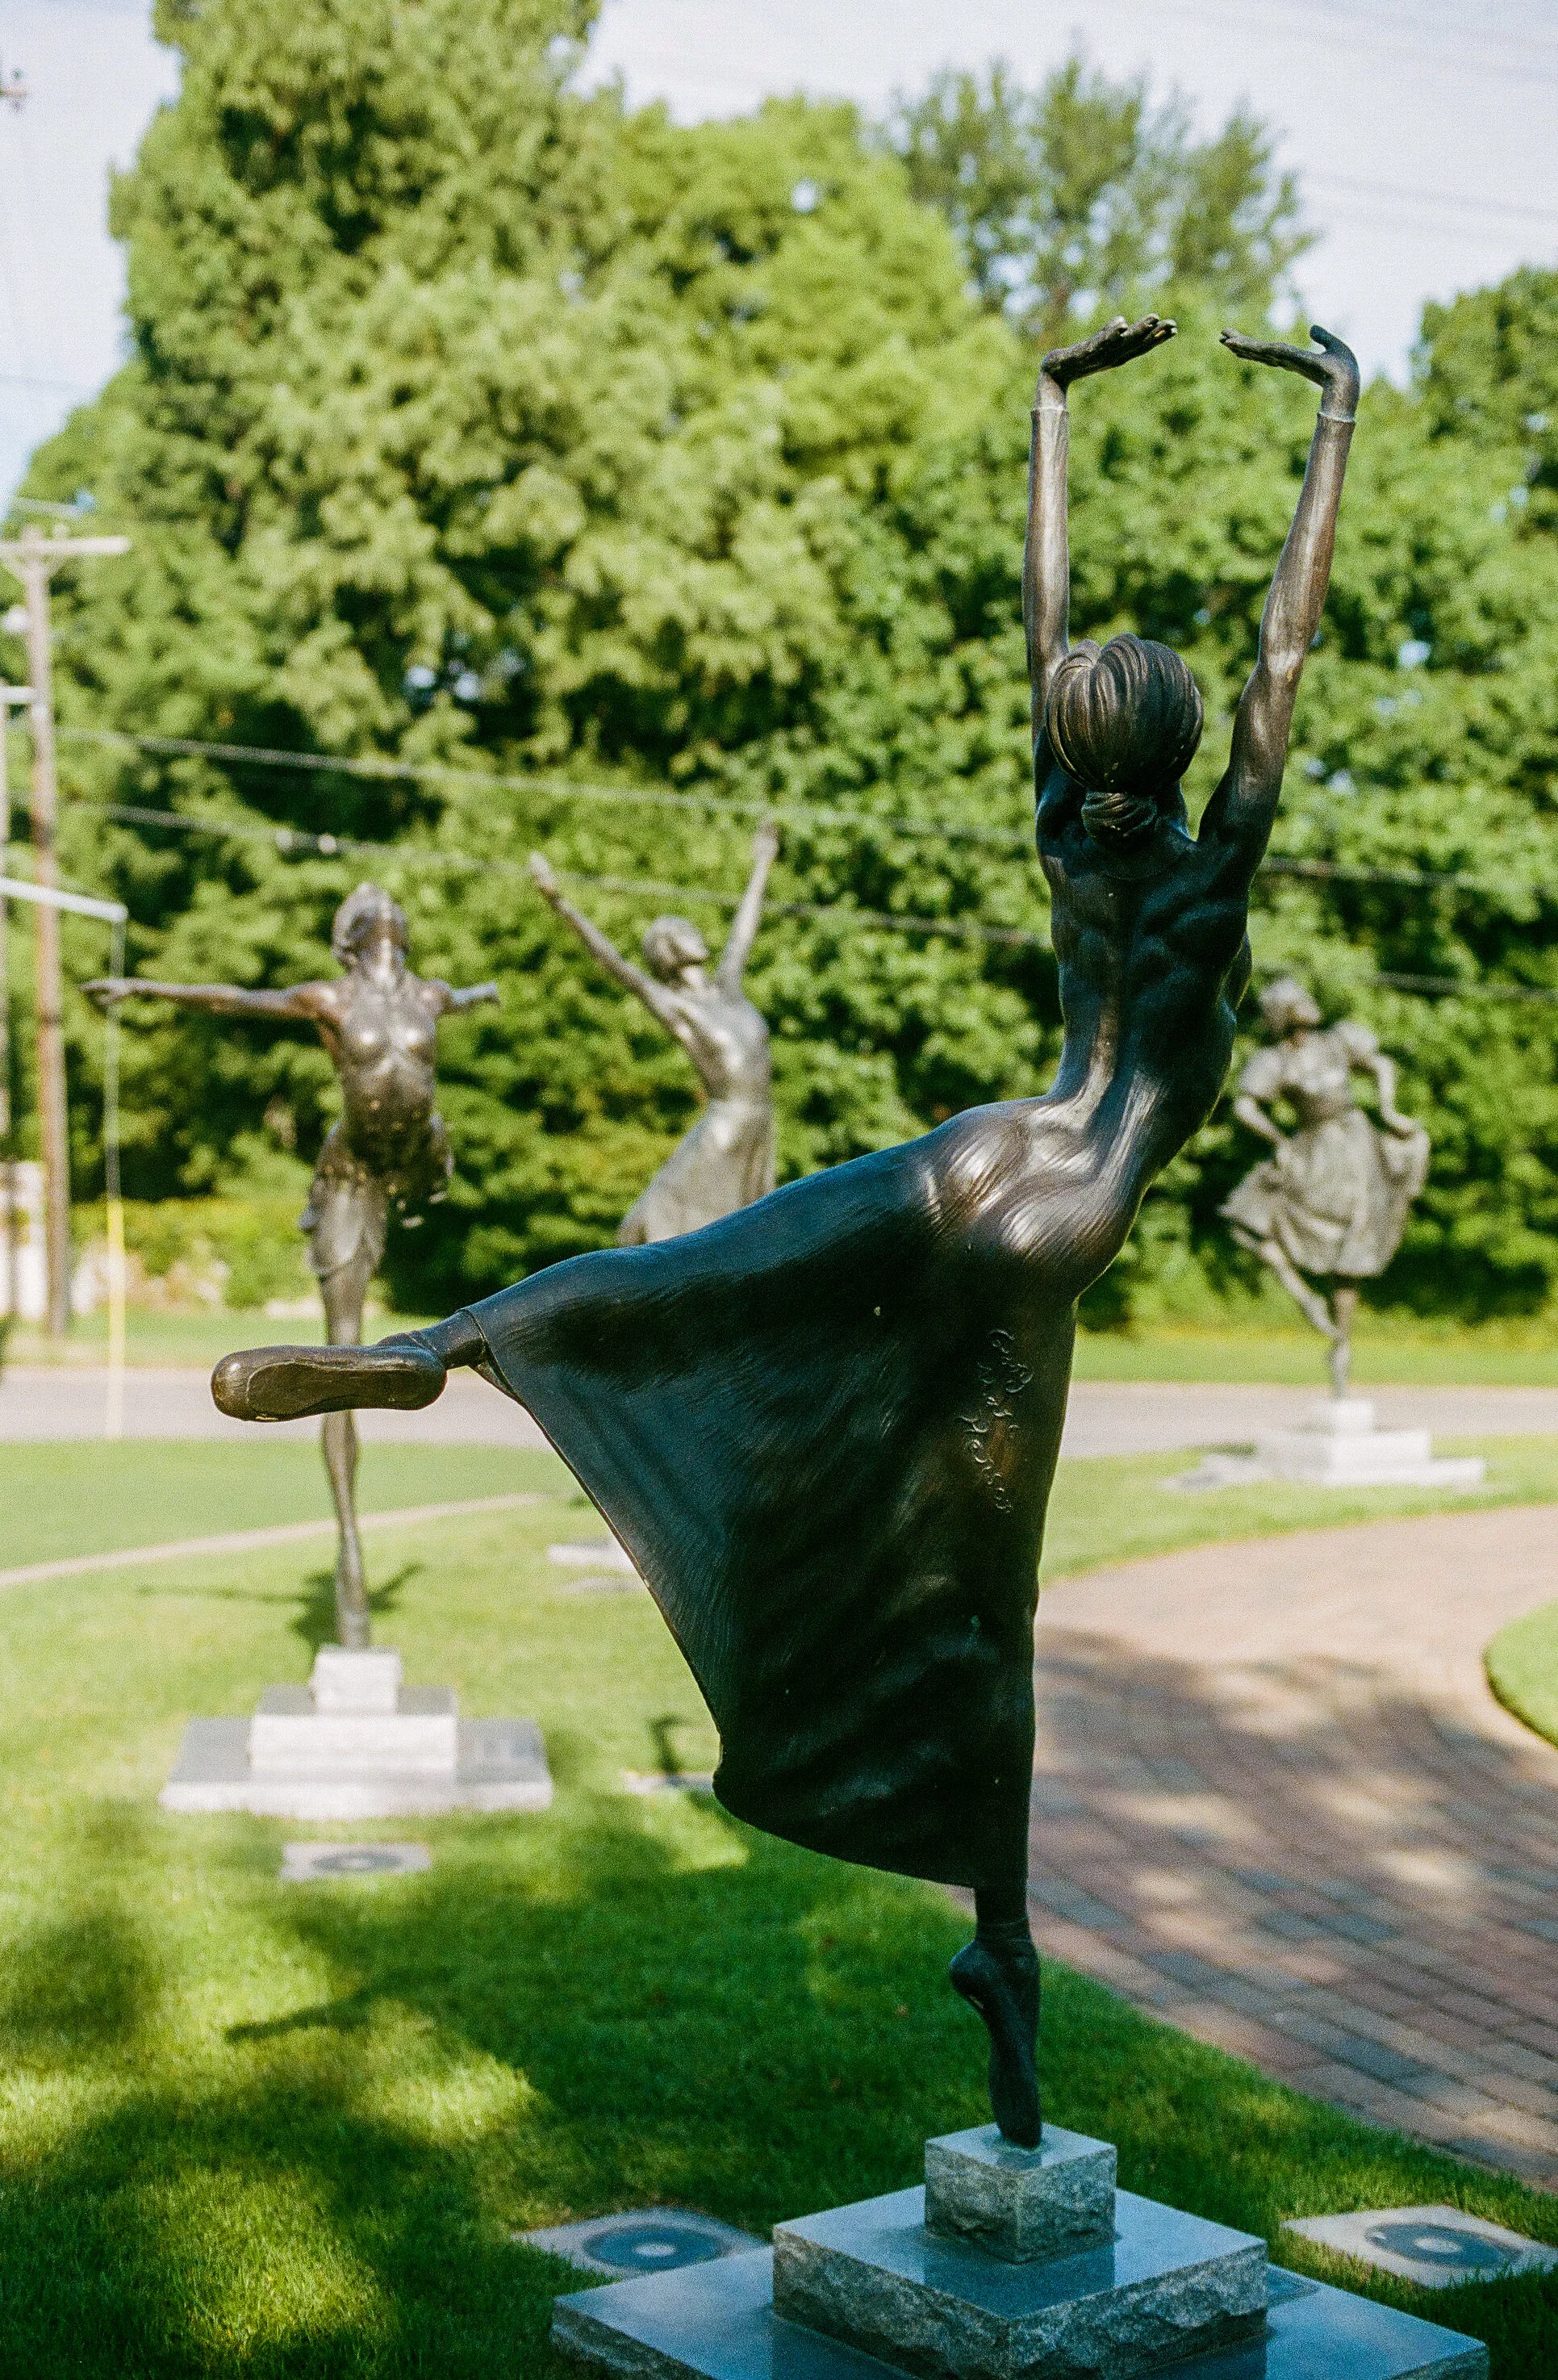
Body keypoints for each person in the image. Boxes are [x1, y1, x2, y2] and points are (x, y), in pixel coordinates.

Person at [211, 319, 1359, 2144]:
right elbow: (1285, 643)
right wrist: (1337, 416)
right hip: (1067, 1207)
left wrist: (1051, 411)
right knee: (980, 1600)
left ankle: (456, 1342)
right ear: (1187, 739)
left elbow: (1032, 627)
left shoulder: (1073, 832)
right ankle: (1000, 1940)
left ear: (1073, 739)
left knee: (704, 1273)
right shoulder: (1208, 875)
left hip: (987, 1136)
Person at [86, 885, 498, 1646]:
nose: (384, 913)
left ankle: (432, 1196)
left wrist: (485, 992)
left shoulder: (431, 996)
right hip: (353, 1175)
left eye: (393, 911)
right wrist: (146, 987)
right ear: (349, 937)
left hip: (414, 1156)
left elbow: (467, 995)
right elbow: (234, 998)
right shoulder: (329, 999)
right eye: (368, 913)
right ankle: (349, 1547)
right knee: (342, 1355)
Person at [528, 818, 779, 1243]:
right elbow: (617, 967)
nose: (694, 934)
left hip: (759, 1125)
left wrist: (761, 864)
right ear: (666, 952)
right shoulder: (678, 1008)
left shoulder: (728, 989)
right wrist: (560, 903)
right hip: (725, 1128)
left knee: (751, 1233)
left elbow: (744, 928)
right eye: (680, 932)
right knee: (683, 1224)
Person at [1222, 976, 1428, 1395]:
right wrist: (1278, 1140)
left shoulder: (1336, 1041)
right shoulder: (1273, 1060)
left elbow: (1381, 1064)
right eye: (1294, 1003)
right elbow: (1244, 1105)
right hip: (1311, 1148)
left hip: (1354, 1142)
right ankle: (1303, 1296)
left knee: (1350, 1250)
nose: (1304, 1008)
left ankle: (1342, 1346)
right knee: (1245, 1216)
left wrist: (1388, 1109)